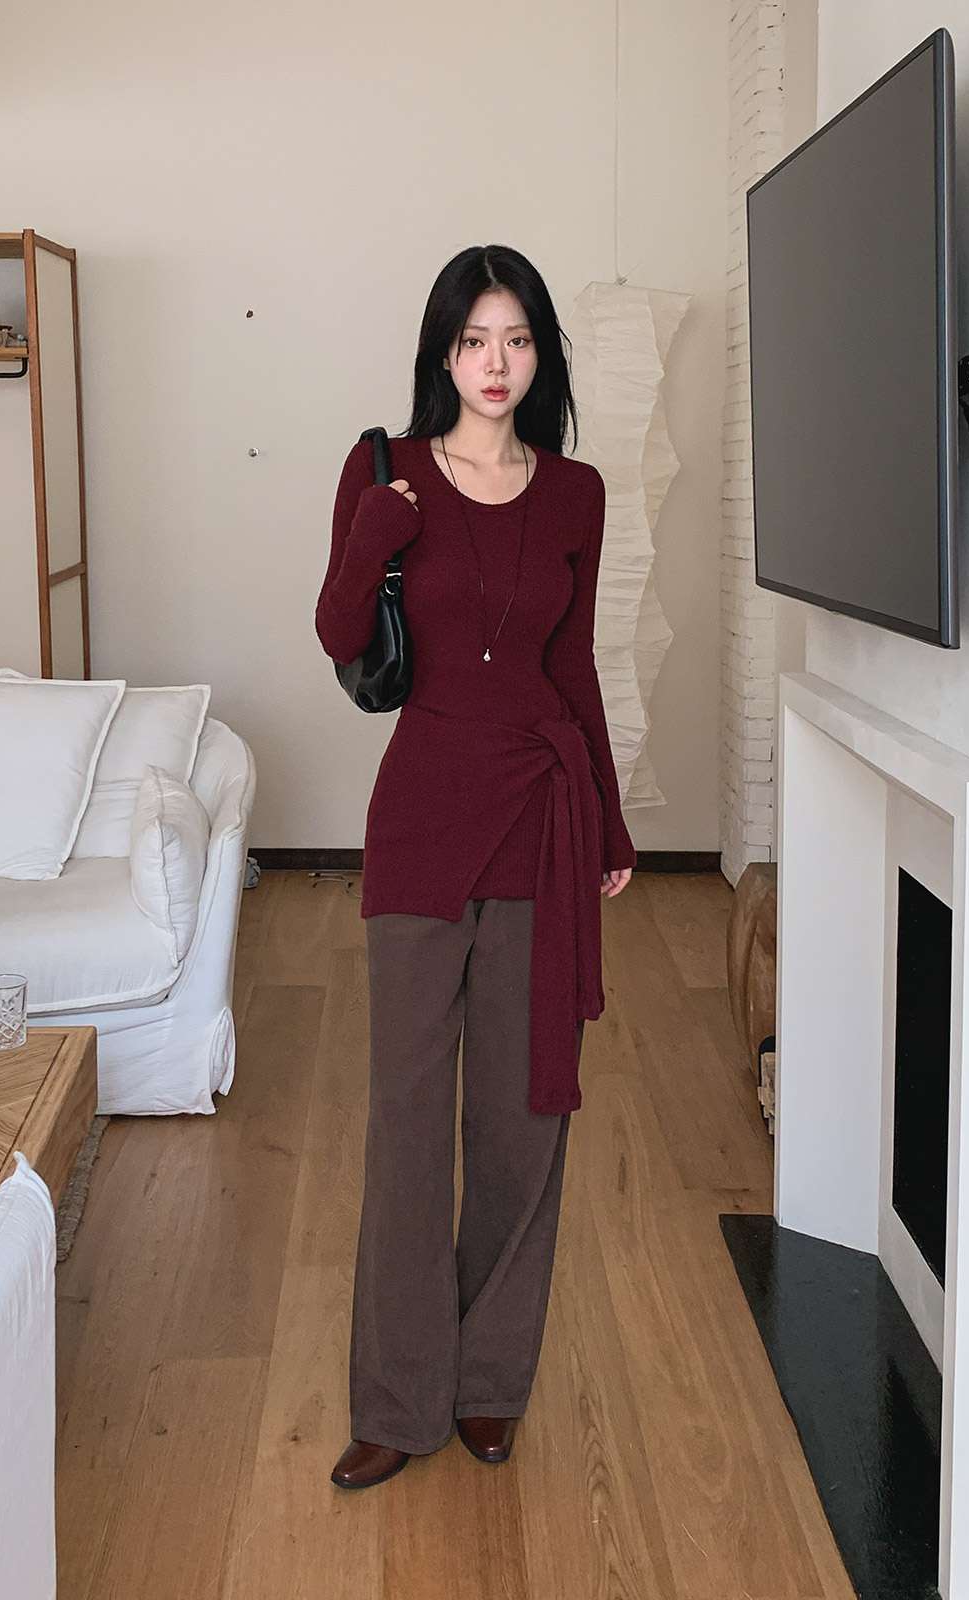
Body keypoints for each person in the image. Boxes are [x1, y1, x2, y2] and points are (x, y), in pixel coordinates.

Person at [314, 244, 635, 1490]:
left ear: (540, 352)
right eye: (472, 340)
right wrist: (377, 534)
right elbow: (340, 631)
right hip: (423, 822)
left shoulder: (578, 492)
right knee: (407, 1118)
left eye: (516, 339)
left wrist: (609, 822)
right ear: (441, 353)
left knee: (520, 1116)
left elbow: (575, 664)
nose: (495, 364)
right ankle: (399, 1399)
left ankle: (490, 1381)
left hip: (542, 819)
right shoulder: (386, 471)